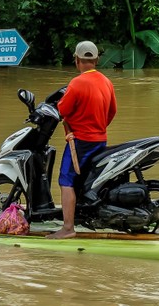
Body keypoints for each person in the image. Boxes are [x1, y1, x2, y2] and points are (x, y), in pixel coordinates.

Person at [46, 41, 117, 239]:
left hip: (80, 142)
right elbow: (112, 112)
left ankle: (68, 227)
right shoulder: (106, 82)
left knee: (66, 179)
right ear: (96, 60)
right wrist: (99, 127)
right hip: (100, 139)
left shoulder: (76, 83)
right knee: (86, 178)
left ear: (77, 61)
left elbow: (62, 110)